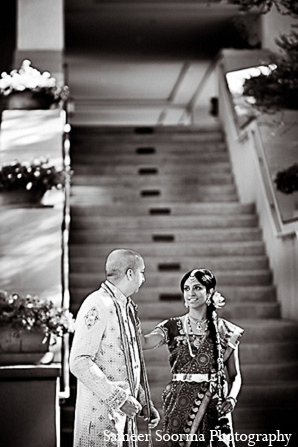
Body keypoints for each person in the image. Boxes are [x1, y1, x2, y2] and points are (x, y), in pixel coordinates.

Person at [141, 268, 244, 447]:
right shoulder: (172, 326)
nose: (191, 293)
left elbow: (235, 375)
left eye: (197, 288)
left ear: (210, 292)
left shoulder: (224, 330)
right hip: (179, 404)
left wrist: (232, 398)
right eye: (187, 288)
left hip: (215, 403)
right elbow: (144, 343)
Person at [69, 248, 160, 447]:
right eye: (141, 272)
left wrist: (143, 400)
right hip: (99, 419)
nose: (143, 278)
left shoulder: (123, 307)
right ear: (130, 273)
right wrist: (119, 399)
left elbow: (126, 361)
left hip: (121, 419)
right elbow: (79, 361)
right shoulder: (98, 304)